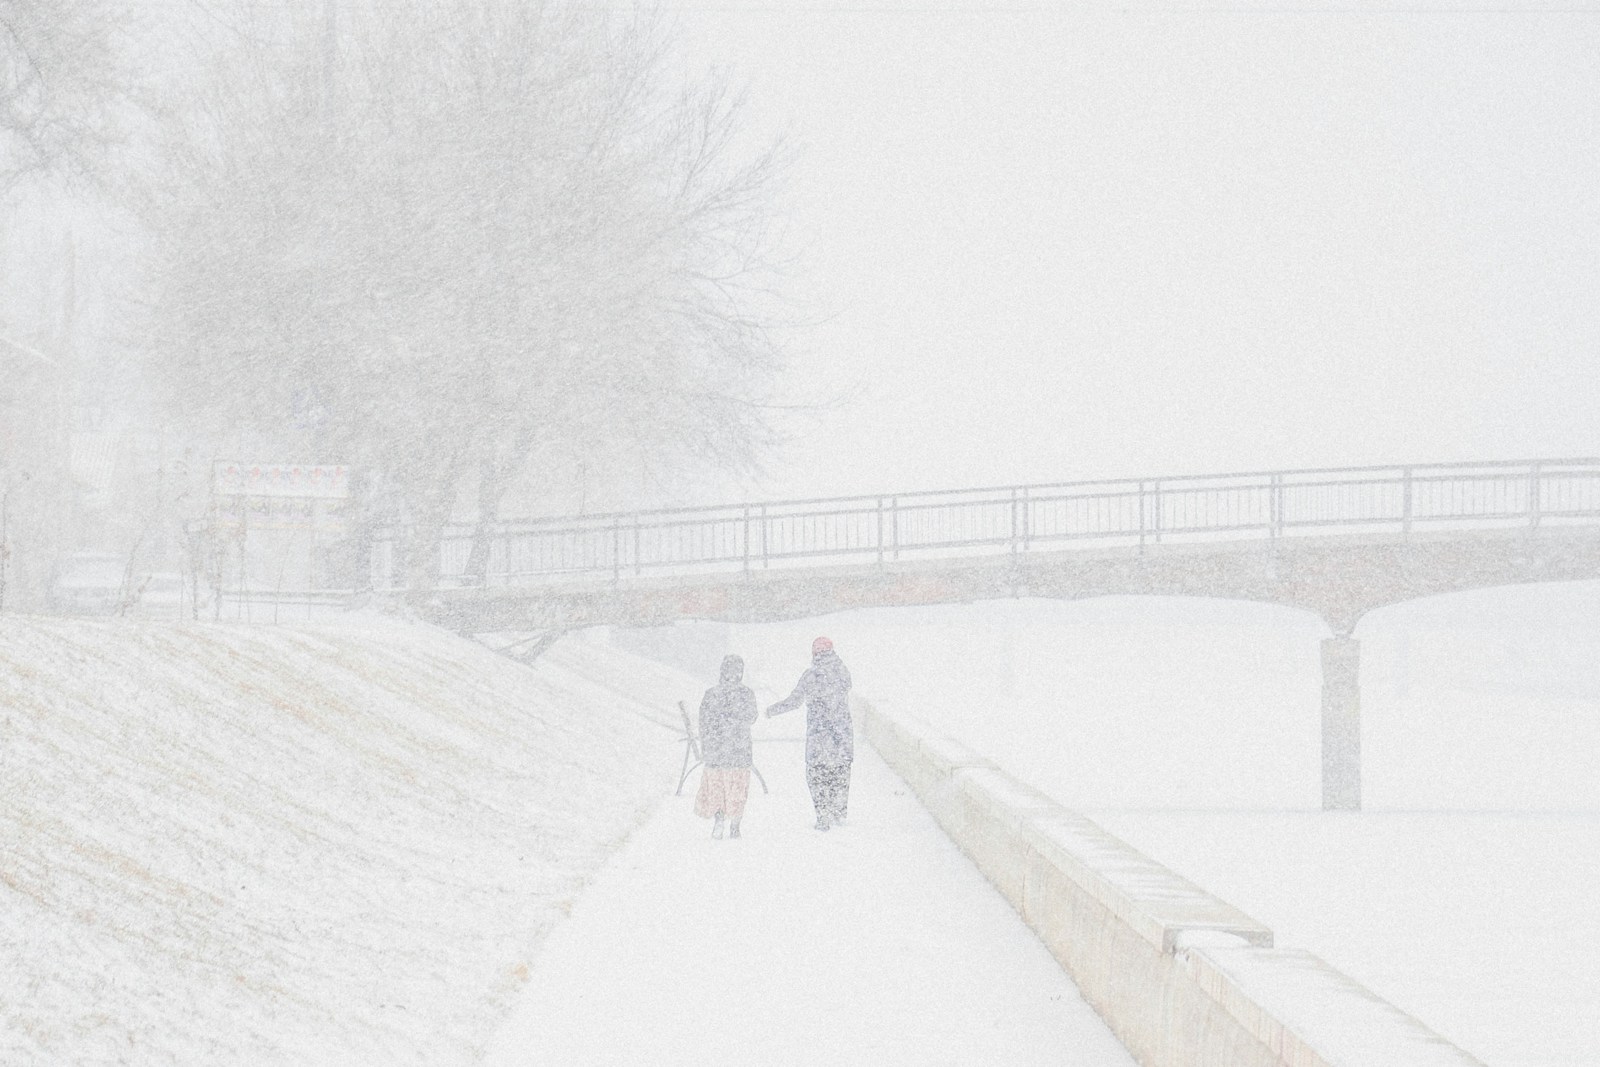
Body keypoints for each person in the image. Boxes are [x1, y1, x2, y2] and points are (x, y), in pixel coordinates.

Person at [766, 636, 853, 831]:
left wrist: (773, 710)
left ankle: (822, 813)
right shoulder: (842, 672)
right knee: (840, 772)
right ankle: (838, 810)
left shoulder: (811, 675)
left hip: (819, 735)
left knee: (816, 773)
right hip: (842, 735)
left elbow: (795, 701)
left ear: (814, 654)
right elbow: (845, 688)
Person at [694, 654, 759, 839]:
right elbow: (752, 717)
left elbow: (704, 723)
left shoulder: (711, 694)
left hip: (716, 753)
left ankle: (719, 819)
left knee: (718, 788)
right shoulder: (746, 694)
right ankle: (735, 824)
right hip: (739, 752)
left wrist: (707, 747)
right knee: (738, 788)